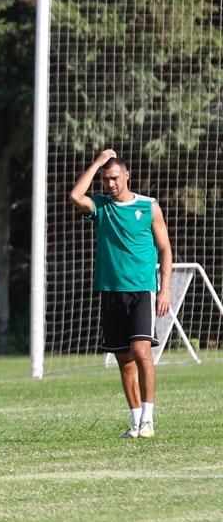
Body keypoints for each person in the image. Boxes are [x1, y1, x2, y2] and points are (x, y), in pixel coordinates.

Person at [69, 149, 173, 438]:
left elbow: (165, 249)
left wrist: (165, 289)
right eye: (106, 179)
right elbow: (76, 196)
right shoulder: (102, 207)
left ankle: (149, 420)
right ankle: (136, 422)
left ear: (127, 176)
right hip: (111, 292)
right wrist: (98, 162)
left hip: (141, 290)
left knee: (141, 352)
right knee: (124, 361)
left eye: (115, 178)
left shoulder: (149, 207)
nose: (110, 184)